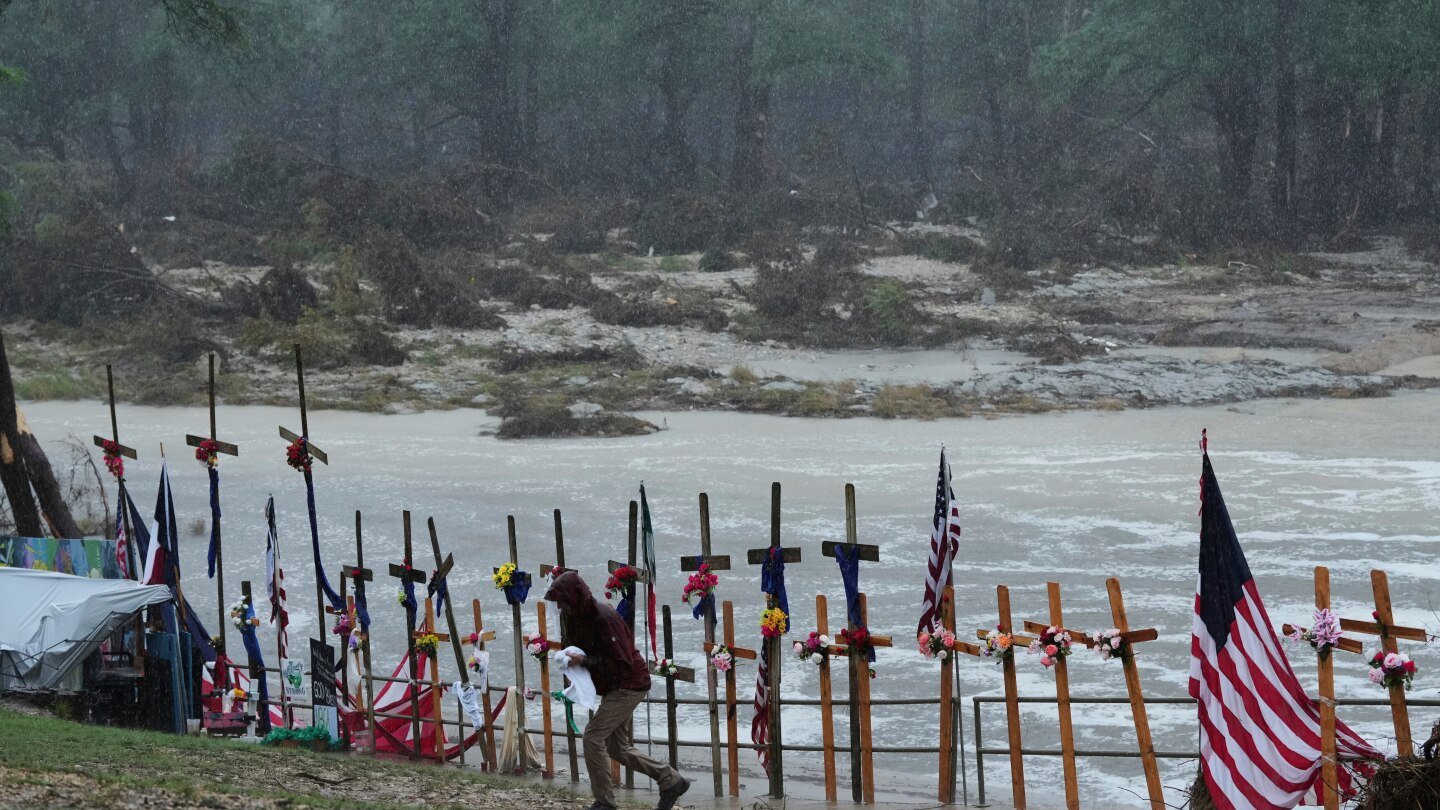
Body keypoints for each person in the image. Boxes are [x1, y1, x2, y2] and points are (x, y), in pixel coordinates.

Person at [545, 569, 690, 810]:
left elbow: (622, 662)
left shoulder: (604, 617)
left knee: (593, 736)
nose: (560, 606)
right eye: (558, 602)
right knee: (616, 747)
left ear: (575, 596)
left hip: (629, 683)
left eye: (563, 600)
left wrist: (584, 661)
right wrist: (566, 657)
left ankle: (605, 803)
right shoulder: (574, 616)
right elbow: (574, 646)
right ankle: (671, 780)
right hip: (614, 685)